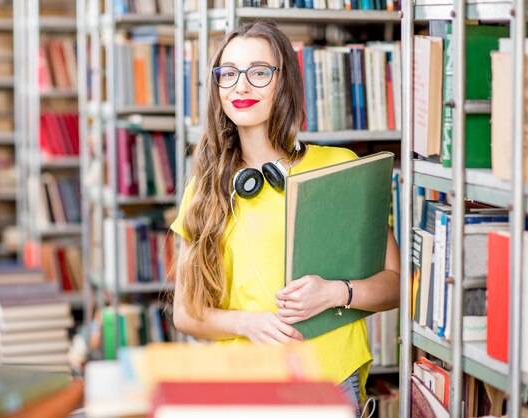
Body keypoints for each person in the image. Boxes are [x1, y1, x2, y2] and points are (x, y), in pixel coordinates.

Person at [170, 20, 400, 416]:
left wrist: (336, 292)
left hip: (329, 378)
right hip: (246, 385)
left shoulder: (339, 168)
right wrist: (247, 323)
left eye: (259, 72)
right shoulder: (206, 188)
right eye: (228, 74)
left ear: (285, 82)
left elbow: (396, 286)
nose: (241, 87)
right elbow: (186, 314)